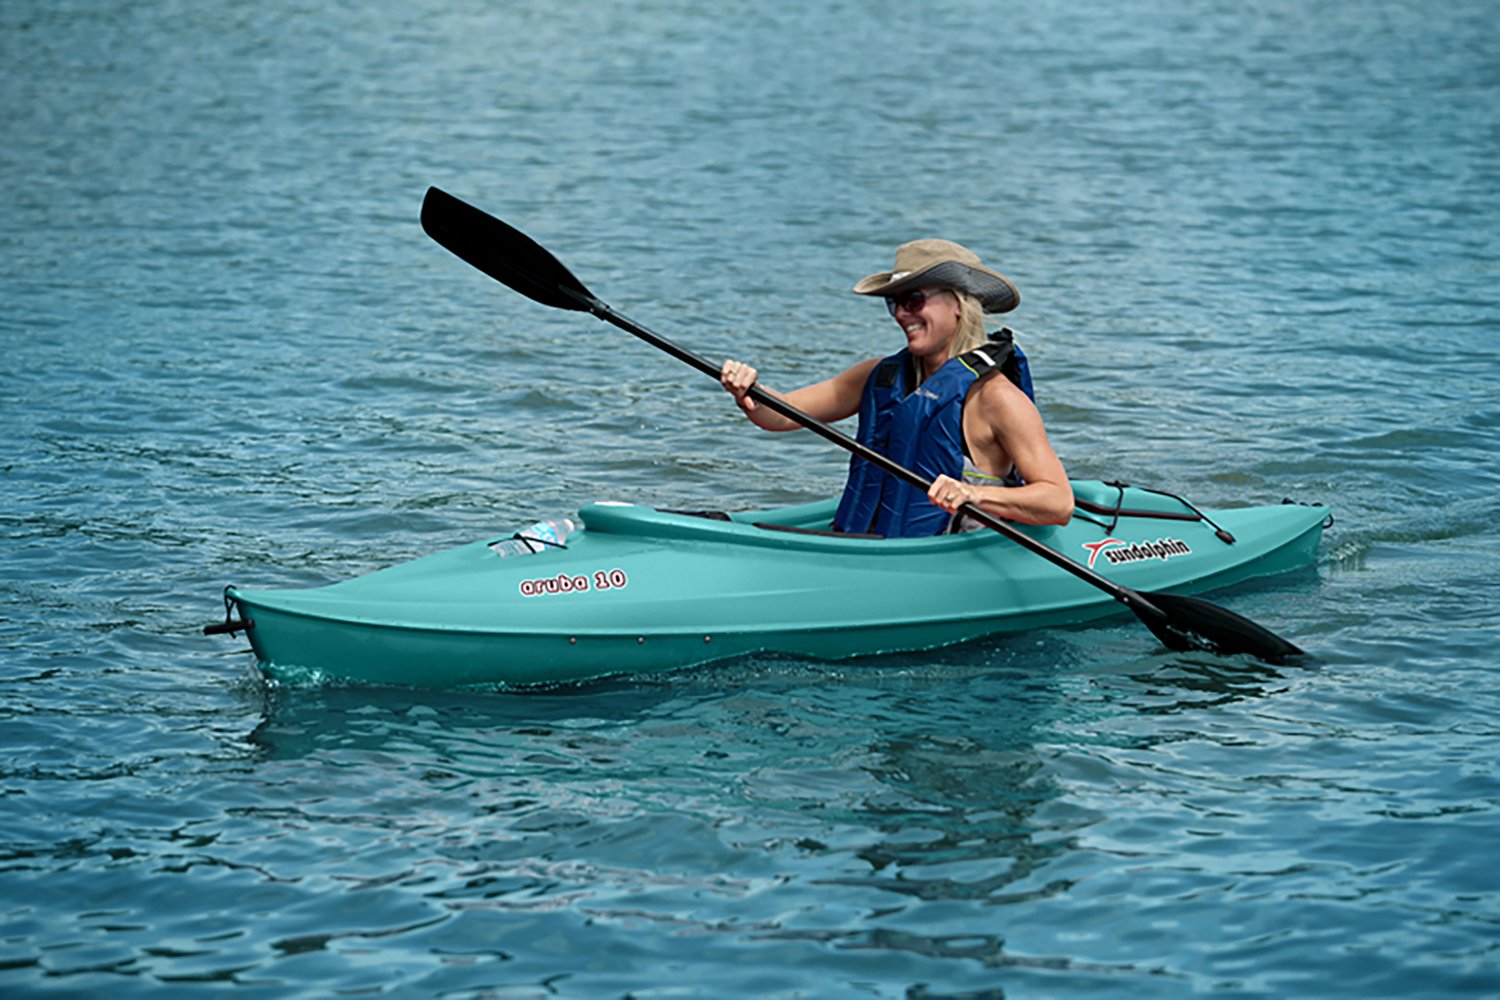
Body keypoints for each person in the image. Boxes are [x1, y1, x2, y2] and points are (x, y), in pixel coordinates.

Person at [719, 239, 1073, 538]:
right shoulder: (878, 375)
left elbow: (1058, 502)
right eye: (894, 302)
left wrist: (970, 493)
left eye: (914, 299)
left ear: (959, 305)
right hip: (874, 544)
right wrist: (748, 391)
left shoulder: (997, 398)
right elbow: (780, 416)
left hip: (950, 557)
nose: (902, 314)